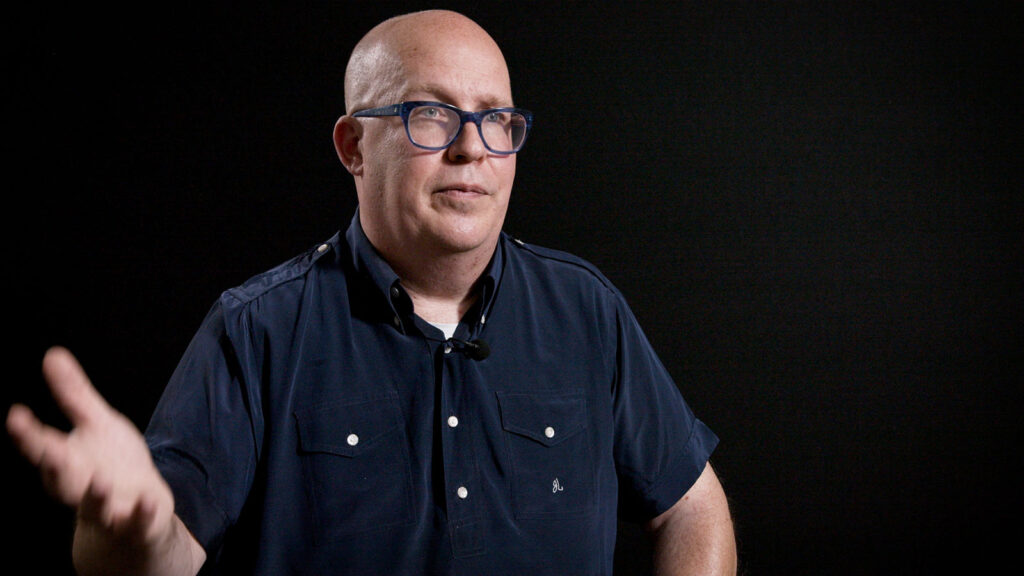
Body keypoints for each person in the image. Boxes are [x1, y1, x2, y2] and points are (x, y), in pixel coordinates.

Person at [7, 9, 736, 575]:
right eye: (432, 115)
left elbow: (693, 506)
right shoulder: (257, 330)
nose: (472, 148)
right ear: (354, 147)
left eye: (496, 119)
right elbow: (161, 554)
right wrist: (129, 530)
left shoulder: (586, 310)